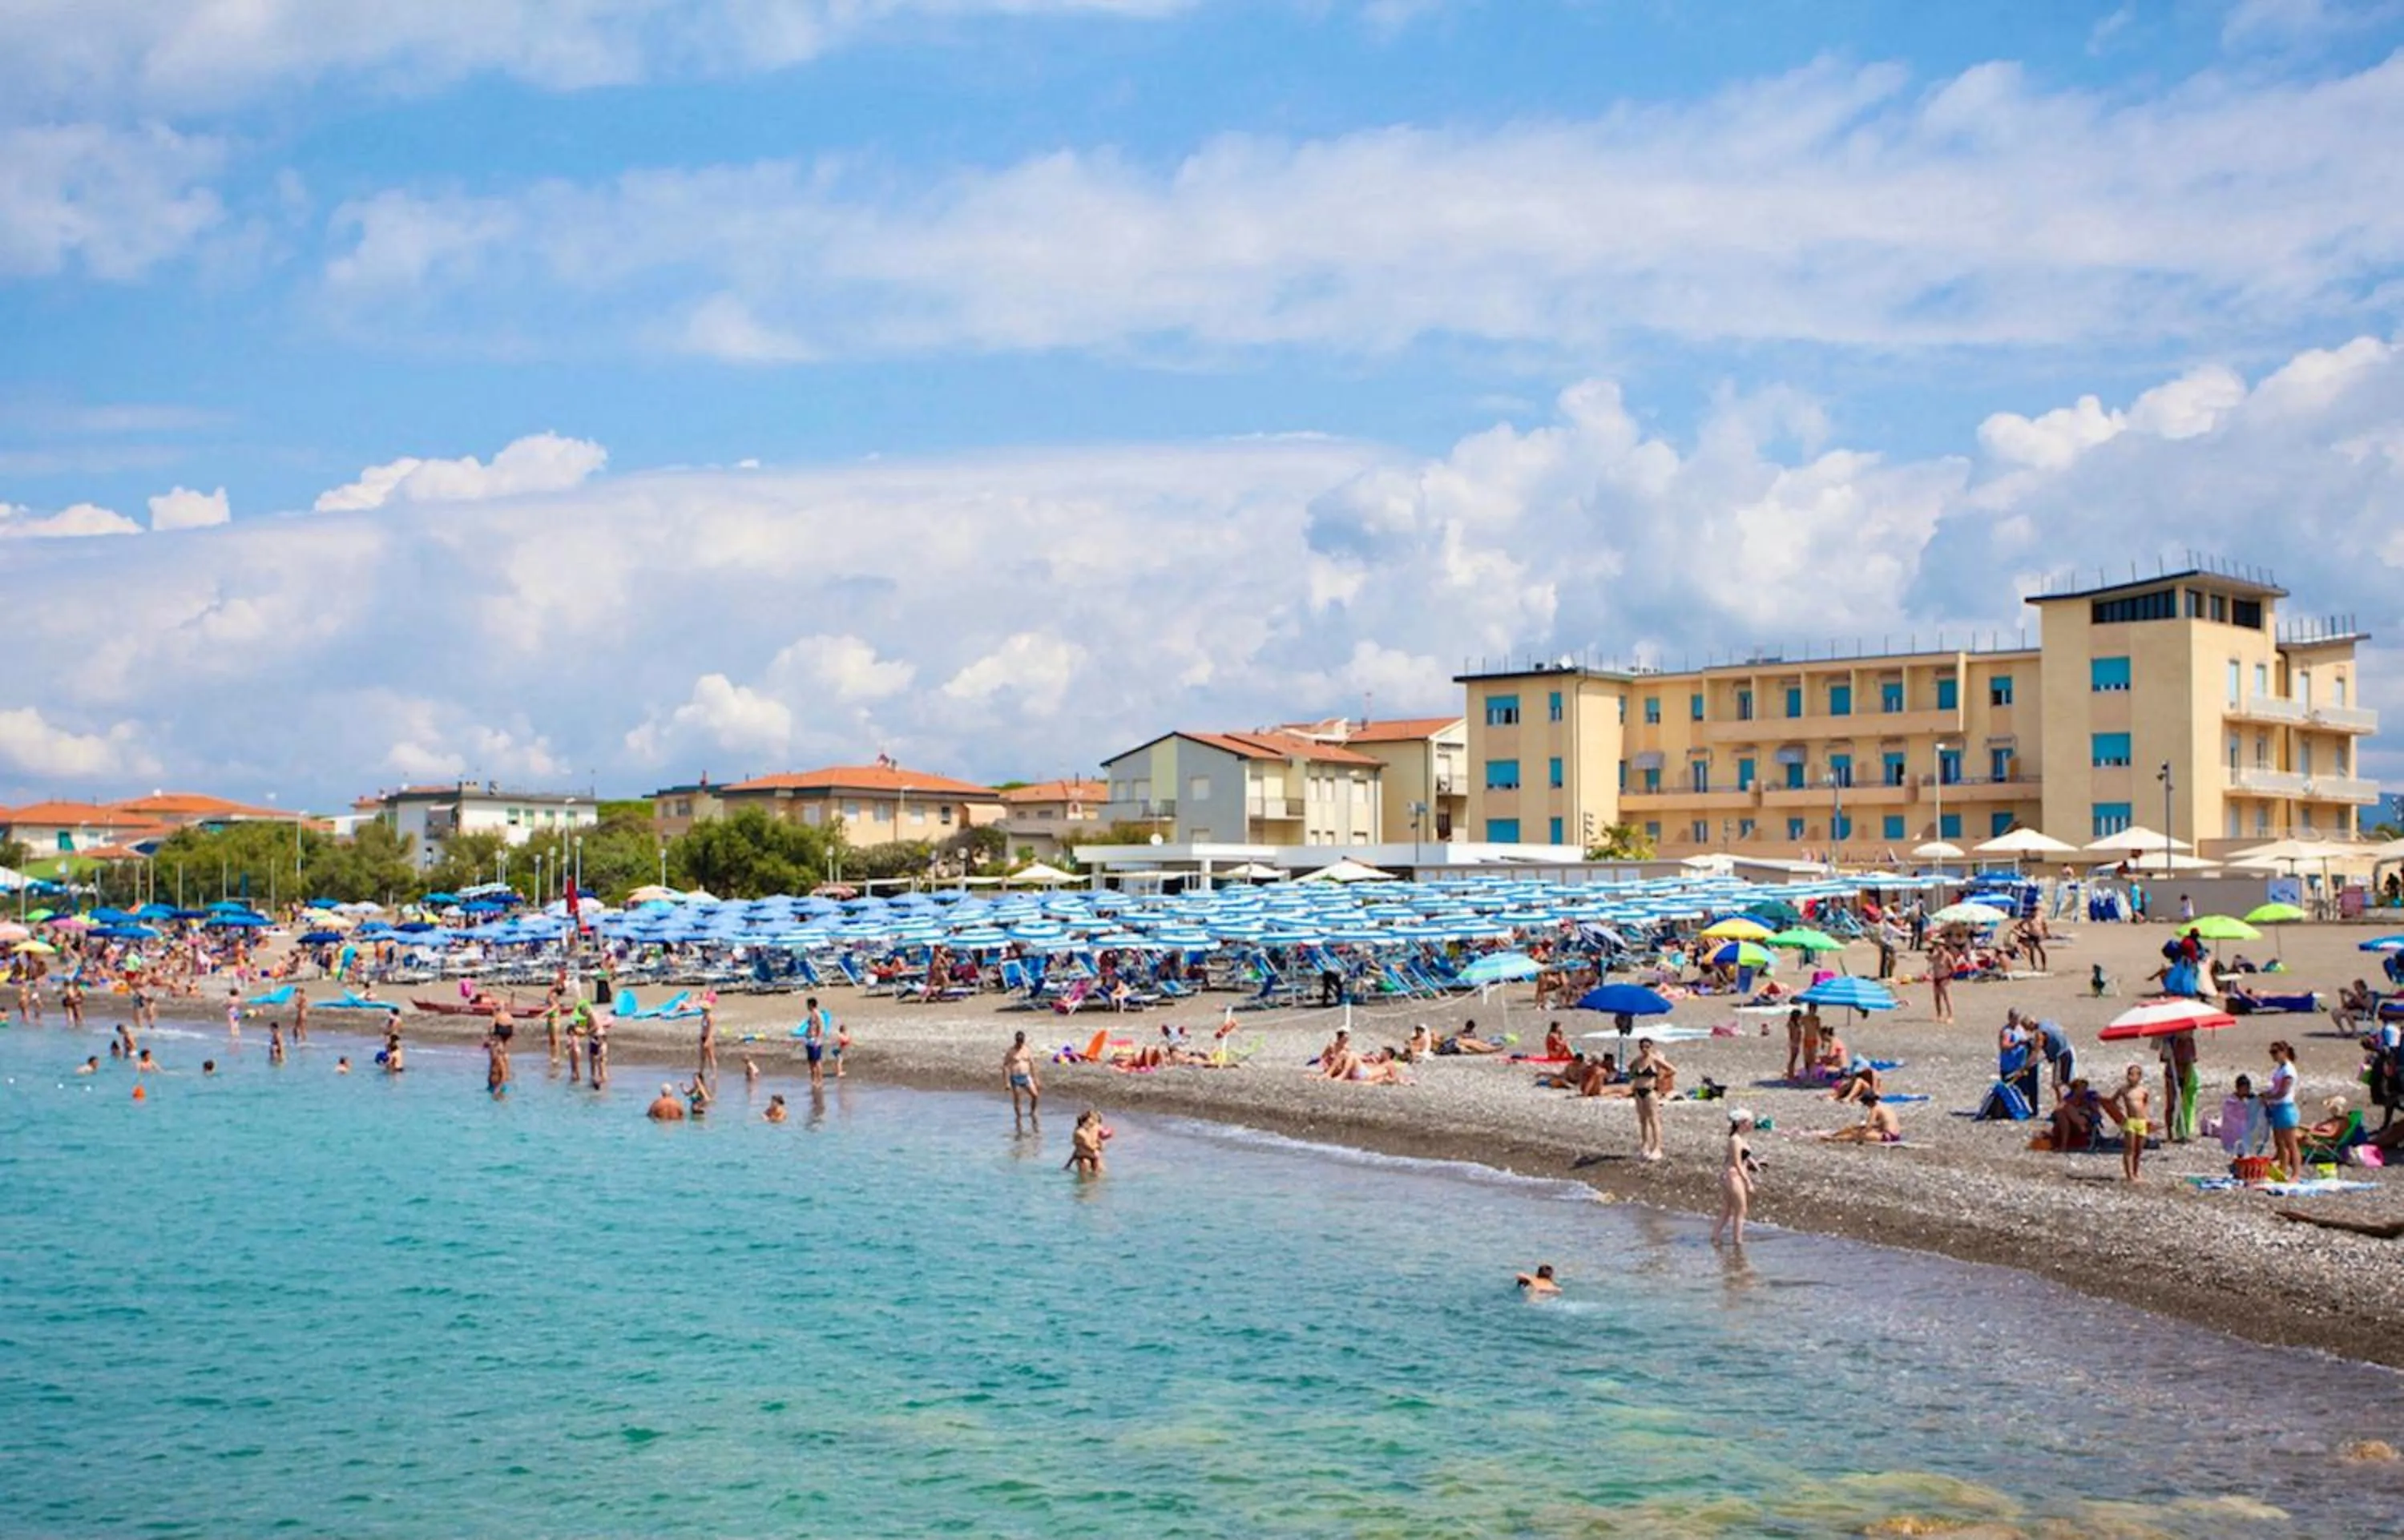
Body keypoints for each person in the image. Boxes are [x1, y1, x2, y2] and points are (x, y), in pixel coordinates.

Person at [1713, 1111, 1762, 1244]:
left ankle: (1716, 1237)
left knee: (1728, 1209)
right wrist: (1748, 1182)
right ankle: (1737, 1241)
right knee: (1741, 1209)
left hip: (1732, 1176)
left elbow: (1745, 1155)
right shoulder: (1735, 1140)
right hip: (1733, 1176)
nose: (1751, 1125)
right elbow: (1737, 1162)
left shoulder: (1740, 1138)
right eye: (1749, 1122)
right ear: (1741, 1123)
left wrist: (1756, 1164)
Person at [1628, 1038, 1673, 1162]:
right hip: (1638, 1092)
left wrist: (1661, 1078)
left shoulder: (1655, 1059)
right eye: (1642, 1047)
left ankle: (1657, 1147)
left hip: (1650, 1091)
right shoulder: (1637, 1061)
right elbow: (1630, 1069)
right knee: (1643, 1120)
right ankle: (1644, 1145)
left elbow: (1672, 1069)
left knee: (1654, 1120)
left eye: (1647, 1047)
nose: (1645, 1049)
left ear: (1651, 1047)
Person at [2264, 1039, 2304, 1175]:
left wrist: (2268, 1098)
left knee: (2291, 1143)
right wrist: (2266, 1095)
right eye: (2271, 1052)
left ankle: (2296, 1174)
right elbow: (2276, 1089)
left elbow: (2283, 1092)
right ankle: (2282, 1169)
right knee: (2279, 1142)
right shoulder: (2280, 1068)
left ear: (2284, 1052)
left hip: (2285, 1108)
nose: (2273, 1055)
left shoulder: (2288, 1070)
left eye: (2275, 1052)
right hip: (2277, 1108)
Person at [2107, 1063, 2152, 1182]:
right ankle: (2129, 1175)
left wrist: (2147, 1117)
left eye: (2133, 1074)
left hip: (2141, 1121)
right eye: (2129, 1074)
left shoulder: (2143, 1091)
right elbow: (2112, 1101)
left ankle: (2136, 1172)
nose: (2130, 1077)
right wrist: (2120, 1113)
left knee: (2139, 1149)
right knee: (2129, 1149)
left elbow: (2145, 1103)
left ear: (2139, 1076)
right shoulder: (2123, 1090)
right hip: (2130, 1121)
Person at [2160, 1028, 2199, 1143]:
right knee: (2171, 1104)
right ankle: (2169, 1133)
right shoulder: (2170, 1041)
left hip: (2186, 1075)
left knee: (2186, 1104)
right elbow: (2163, 1058)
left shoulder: (2190, 1042)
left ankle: (2183, 1131)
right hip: (2172, 1075)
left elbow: (2193, 1059)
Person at [1821, 1093, 1902, 1143]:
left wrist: (1857, 1129)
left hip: (1888, 1137)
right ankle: (1834, 1136)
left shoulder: (1875, 1108)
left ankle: (1834, 1139)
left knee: (1856, 1134)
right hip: (1896, 1136)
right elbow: (1883, 1124)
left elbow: (1868, 1127)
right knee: (1855, 1129)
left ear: (1869, 1102)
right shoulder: (1885, 1106)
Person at [1003, 1030, 1040, 1125]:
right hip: (1015, 1077)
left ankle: (1032, 1112)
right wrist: (1007, 1082)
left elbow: (1032, 1064)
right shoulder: (1011, 1051)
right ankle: (1019, 1119)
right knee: (1018, 1099)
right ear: (1016, 1040)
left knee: (1035, 1095)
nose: (1020, 1043)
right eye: (1018, 1041)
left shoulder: (1027, 1050)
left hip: (1026, 1076)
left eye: (1021, 1041)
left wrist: (1036, 1078)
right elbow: (1005, 1066)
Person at [2032, 1017, 2076, 1096]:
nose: (2029, 1031)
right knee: (2058, 1083)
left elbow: (2036, 1051)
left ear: (2031, 1024)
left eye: (2028, 1028)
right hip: (2065, 1049)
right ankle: (2064, 1102)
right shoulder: (2046, 1022)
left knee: (2061, 1082)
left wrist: (2026, 1066)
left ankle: (2073, 1099)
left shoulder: (2040, 1033)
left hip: (2062, 1054)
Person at [1066, 1107, 1110, 1175]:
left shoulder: (1096, 1128)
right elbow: (1086, 1146)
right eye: (1092, 1119)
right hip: (1083, 1157)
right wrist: (1069, 1163)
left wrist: (1102, 1141)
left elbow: (1100, 1143)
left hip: (1093, 1156)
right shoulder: (1079, 1132)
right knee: (1084, 1175)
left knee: (1101, 1173)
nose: (1092, 1122)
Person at [802, 997, 829, 1089]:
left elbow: (821, 1027)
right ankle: (813, 1080)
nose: (807, 1007)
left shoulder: (818, 1014)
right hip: (809, 1040)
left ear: (811, 1005)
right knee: (811, 1062)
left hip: (815, 1040)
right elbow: (810, 1026)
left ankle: (820, 1081)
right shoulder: (811, 1014)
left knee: (817, 1062)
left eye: (807, 1005)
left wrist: (818, 1039)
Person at [697, 1002, 717, 1080]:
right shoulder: (704, 1017)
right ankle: (701, 1072)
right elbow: (703, 1028)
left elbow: (710, 1030)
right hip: (703, 1037)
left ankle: (714, 1073)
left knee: (711, 1057)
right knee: (702, 1057)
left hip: (709, 1038)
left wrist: (708, 1041)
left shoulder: (710, 1018)